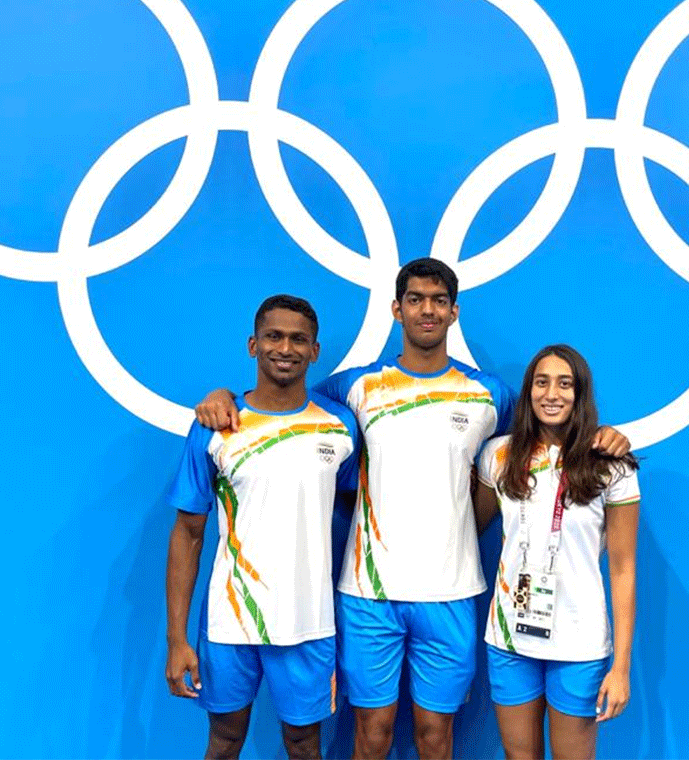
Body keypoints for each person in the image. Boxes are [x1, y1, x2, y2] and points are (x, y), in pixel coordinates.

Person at [195, 259, 630, 760]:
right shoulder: (354, 389)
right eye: (417, 300)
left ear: (454, 312)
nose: (428, 310)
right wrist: (223, 396)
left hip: (451, 593)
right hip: (368, 595)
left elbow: (544, 433)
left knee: (434, 738)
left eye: (439, 301)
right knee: (372, 736)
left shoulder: (491, 394)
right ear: (396, 310)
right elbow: (282, 401)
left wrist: (604, 435)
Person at [165, 294, 360, 760]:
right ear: (253, 345)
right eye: (274, 336)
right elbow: (188, 533)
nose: (285, 348)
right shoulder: (218, 426)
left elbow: (359, 509)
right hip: (231, 621)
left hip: (307, 622)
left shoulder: (340, 426)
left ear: (315, 351)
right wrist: (176, 640)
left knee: (303, 744)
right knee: (225, 741)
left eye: (299, 339)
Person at [473, 344, 640, 760]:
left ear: (580, 393)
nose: (552, 394)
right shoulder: (499, 456)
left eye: (565, 384)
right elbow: (468, 527)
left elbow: (623, 569)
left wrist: (621, 668)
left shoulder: (611, 465)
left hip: (577, 645)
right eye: (541, 382)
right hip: (510, 639)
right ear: (528, 391)